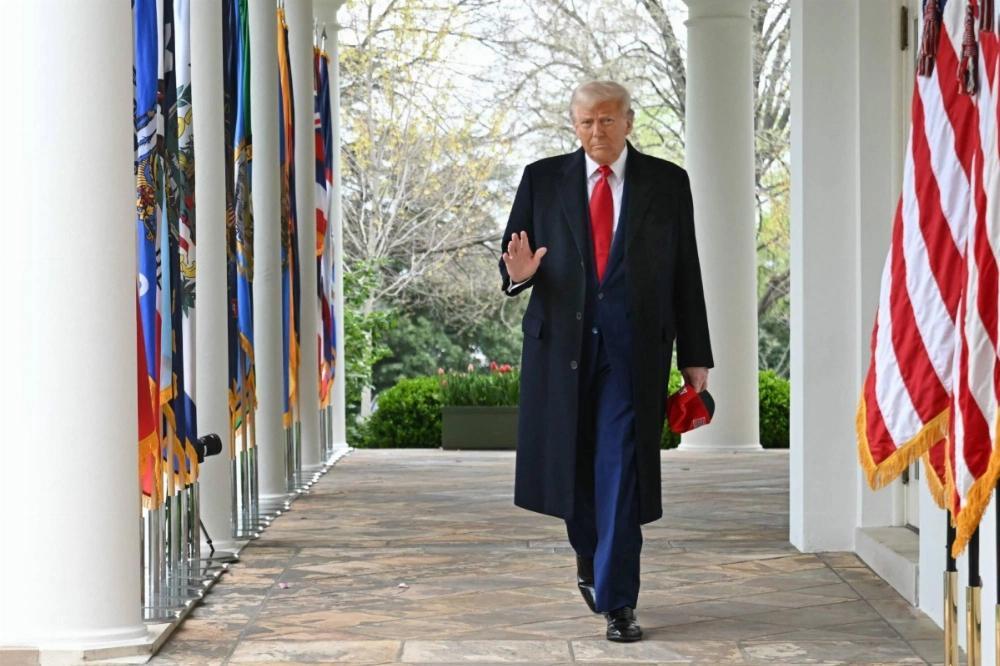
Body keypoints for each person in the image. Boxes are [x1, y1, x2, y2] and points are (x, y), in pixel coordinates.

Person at [499, 81, 713, 642]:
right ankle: (589, 558)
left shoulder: (668, 184)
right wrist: (518, 275)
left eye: (608, 121)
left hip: (633, 352)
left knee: (621, 468)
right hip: (561, 352)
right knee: (575, 468)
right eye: (587, 122)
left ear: (629, 122)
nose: (598, 132)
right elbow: (513, 260)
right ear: (574, 125)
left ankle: (620, 601)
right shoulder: (541, 179)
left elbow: (685, 272)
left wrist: (695, 356)